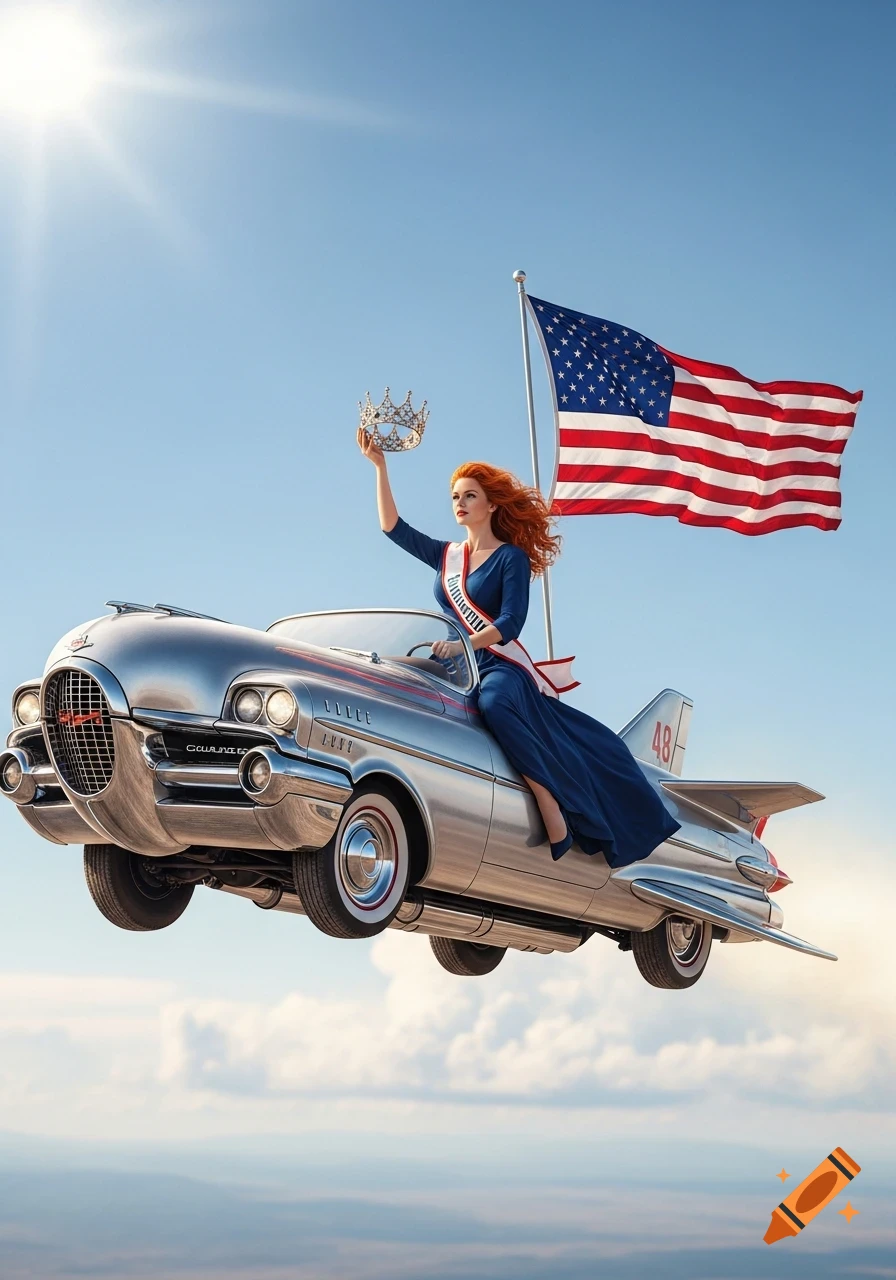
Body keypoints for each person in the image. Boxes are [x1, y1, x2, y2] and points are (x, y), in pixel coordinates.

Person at [357, 428, 680, 866]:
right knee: (386, 670)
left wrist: (465, 644)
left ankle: (549, 802)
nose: (460, 503)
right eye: (455, 496)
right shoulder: (447, 555)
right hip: (454, 663)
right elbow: (391, 527)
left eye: (469, 495)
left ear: (491, 505)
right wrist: (380, 466)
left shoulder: (512, 558)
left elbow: (510, 624)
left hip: (497, 667)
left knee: (494, 705)